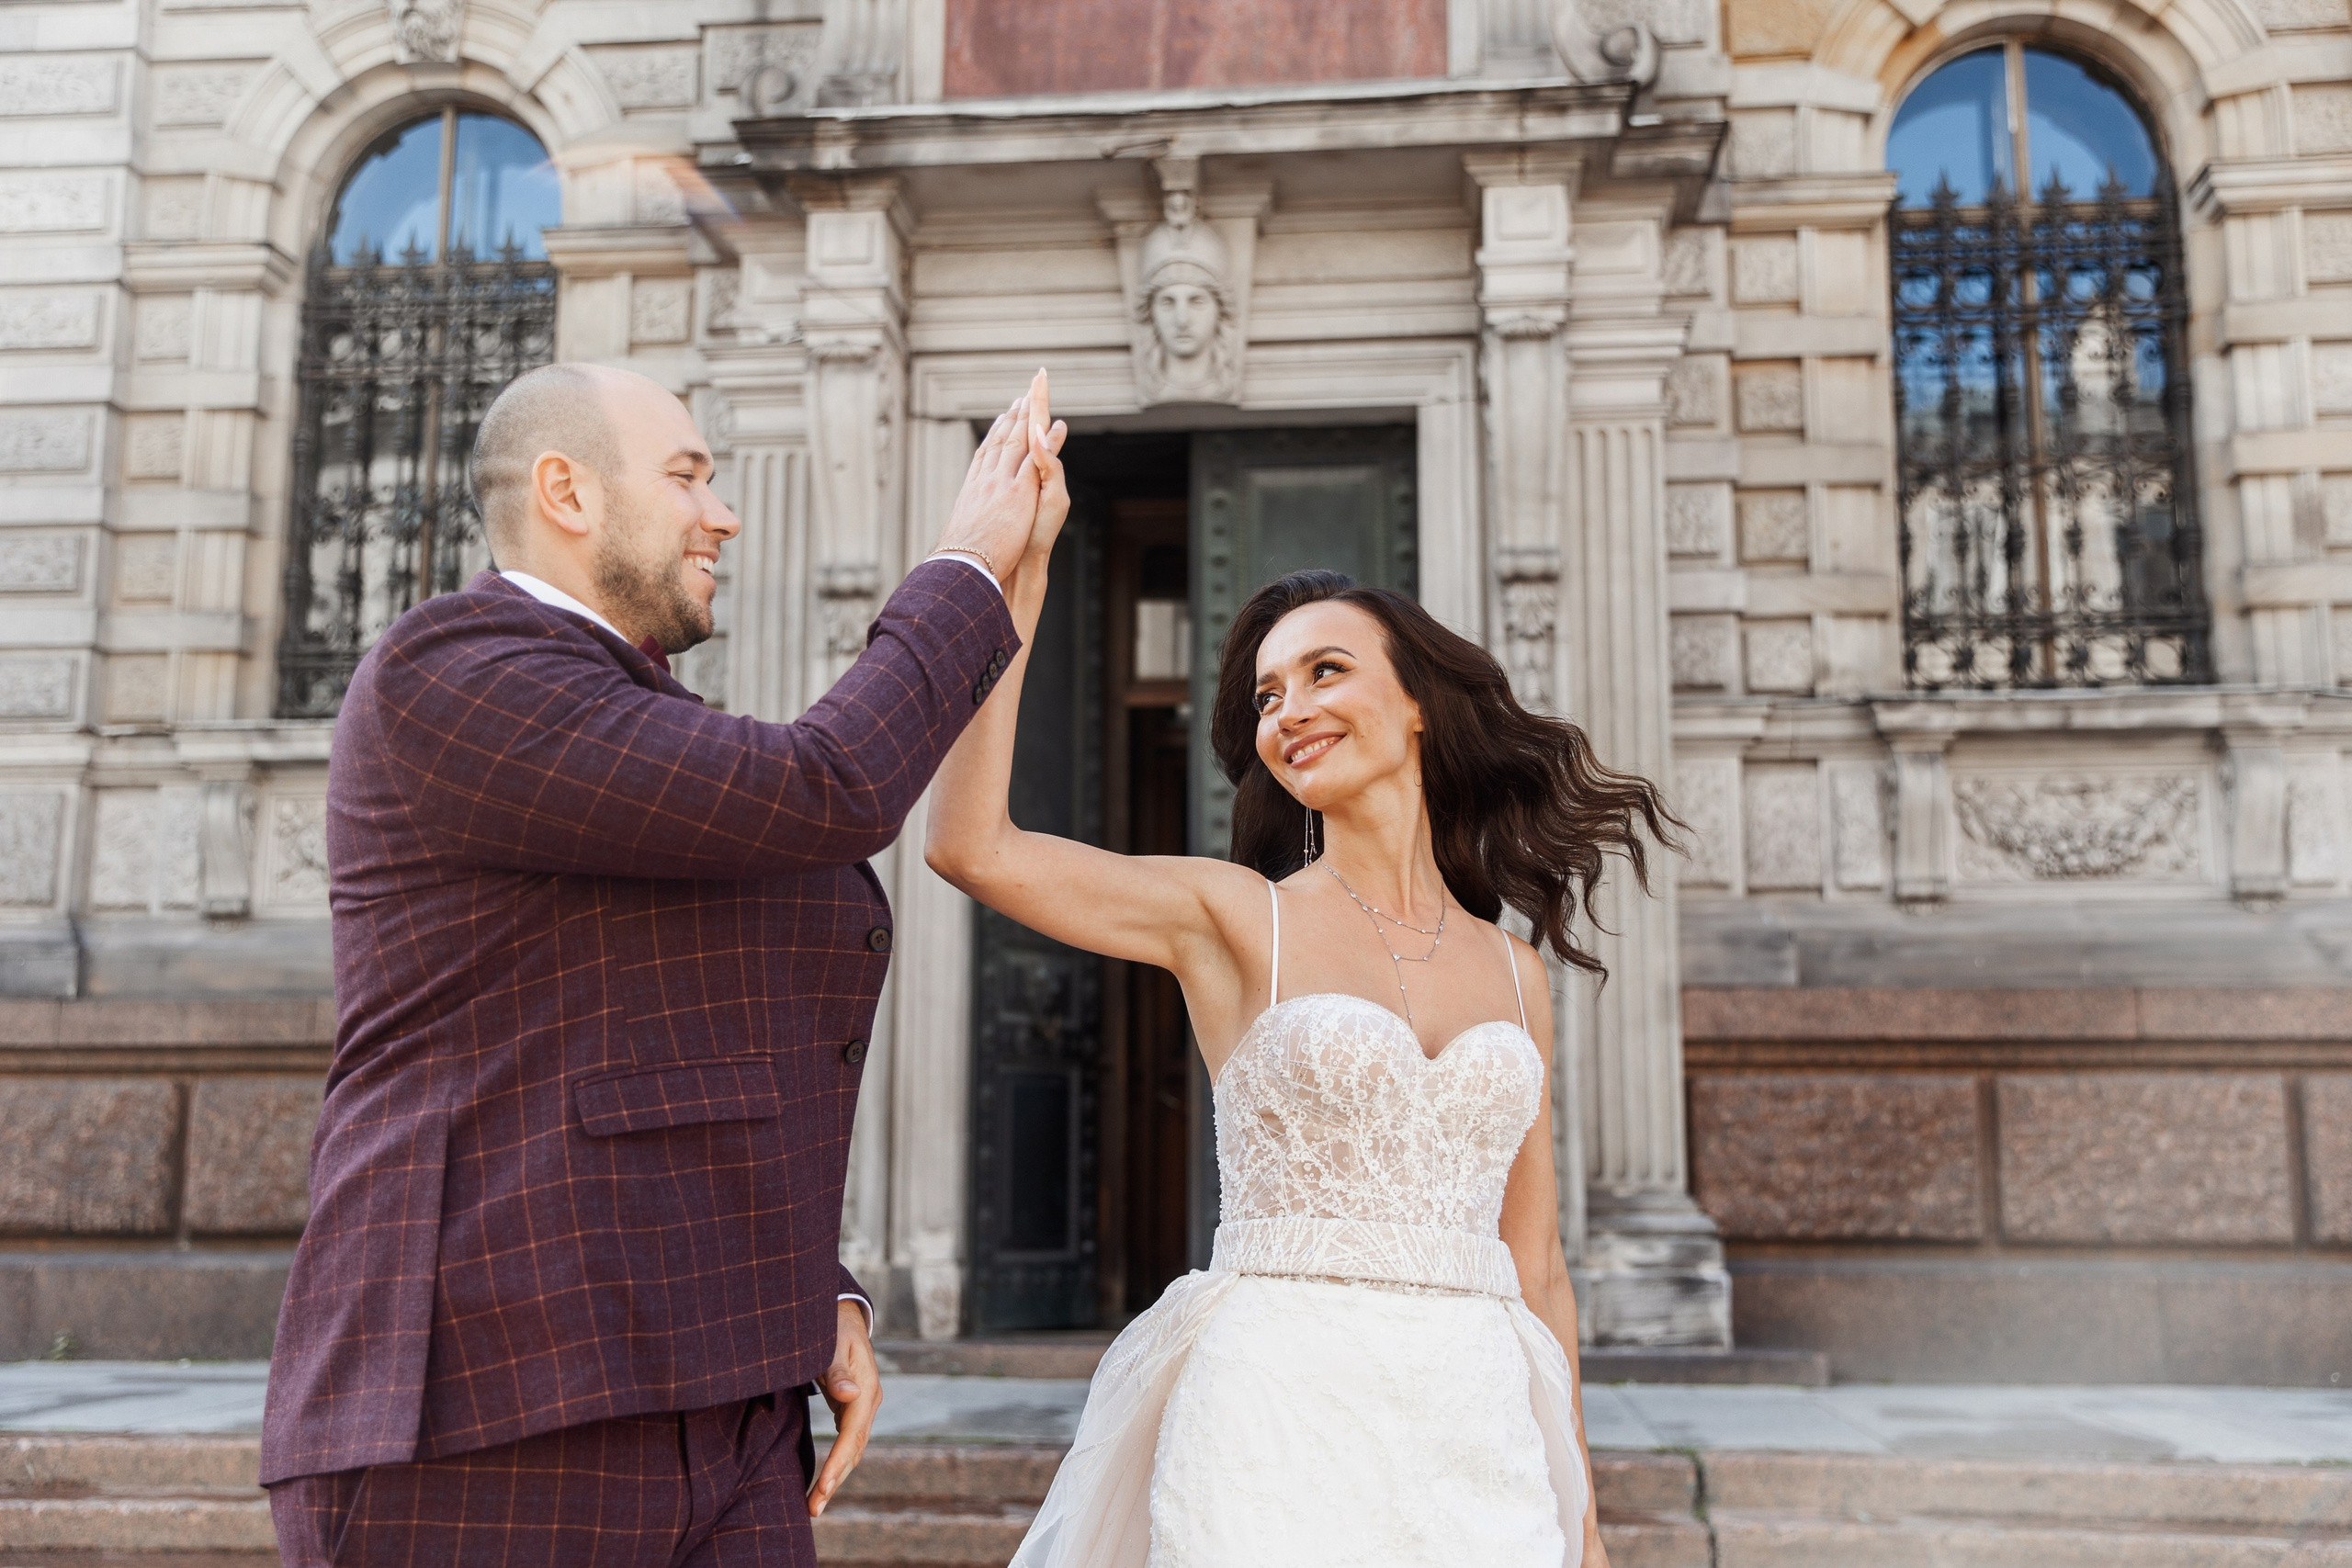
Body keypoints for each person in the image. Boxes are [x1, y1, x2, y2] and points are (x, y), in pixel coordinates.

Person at [262, 362, 1066, 1566]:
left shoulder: (635, 717)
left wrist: (817, 1287)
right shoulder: (453, 673)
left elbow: (678, 1036)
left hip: (724, 1390)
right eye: (689, 477)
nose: (724, 514)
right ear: (565, 492)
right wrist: (959, 570)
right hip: (491, 1401)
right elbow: (828, 788)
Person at [926, 372, 1677, 1567]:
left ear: (1421, 703)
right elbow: (971, 847)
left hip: (1473, 1427)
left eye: (1326, 671)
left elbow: (1536, 1264)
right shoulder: (1234, 919)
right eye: (1270, 694)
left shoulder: (1518, 974)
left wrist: (1580, 1514)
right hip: (1274, 1417)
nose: (1289, 710)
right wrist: (1011, 581)